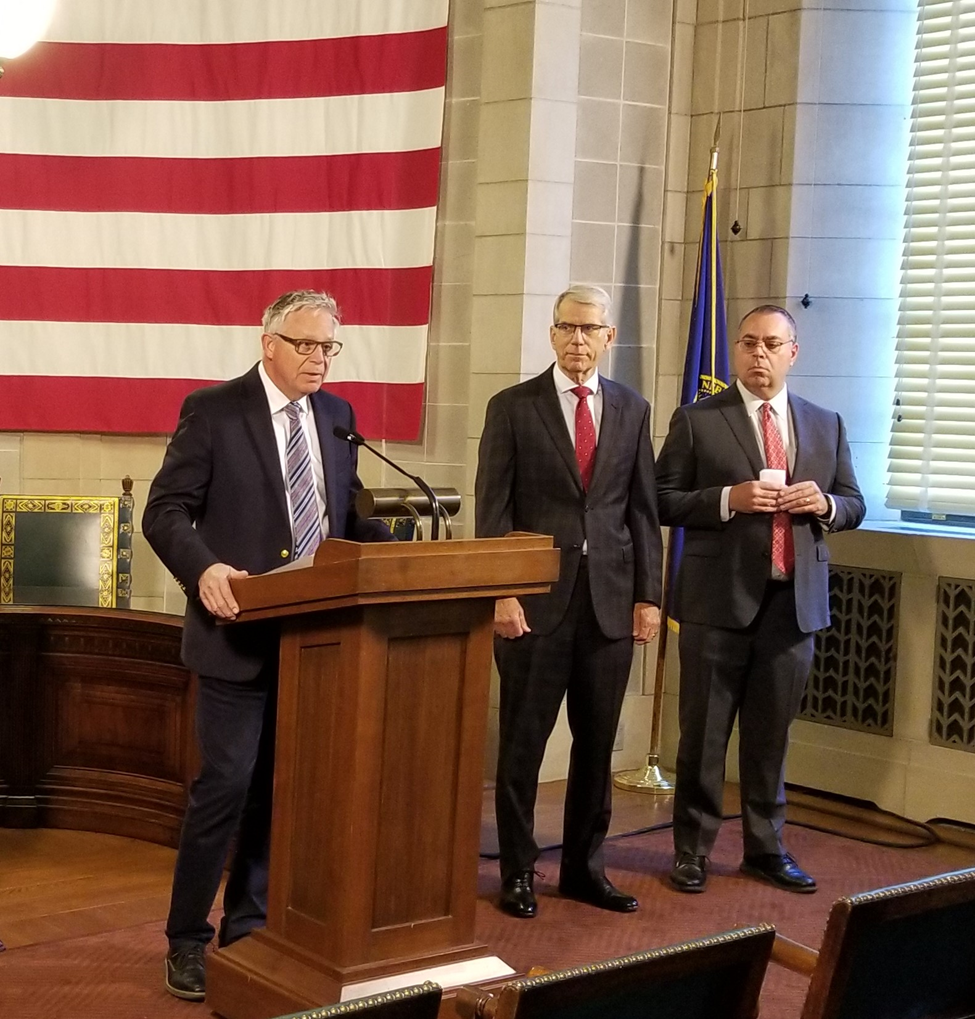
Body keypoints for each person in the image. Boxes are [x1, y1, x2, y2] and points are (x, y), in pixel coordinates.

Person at [143, 290, 393, 1001]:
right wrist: (205, 568)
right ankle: (187, 936)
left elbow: (340, 515)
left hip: (317, 644)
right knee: (224, 787)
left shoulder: (338, 417)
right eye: (307, 344)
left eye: (329, 347)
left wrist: (402, 547)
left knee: (279, 791)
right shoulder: (215, 410)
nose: (319, 359)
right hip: (235, 636)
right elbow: (165, 510)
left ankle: (246, 925)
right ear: (269, 342)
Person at [656, 304, 865, 895]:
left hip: (793, 604)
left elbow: (853, 502)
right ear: (736, 351)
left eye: (772, 344)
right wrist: (729, 498)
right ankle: (692, 850)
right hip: (717, 602)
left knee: (771, 737)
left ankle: (765, 849)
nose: (759, 354)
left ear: (792, 352)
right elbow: (661, 497)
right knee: (703, 735)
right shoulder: (699, 420)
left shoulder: (826, 423)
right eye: (748, 343)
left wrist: (823, 504)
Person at [474, 284, 663, 919]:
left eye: (590, 329)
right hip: (533, 605)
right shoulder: (512, 408)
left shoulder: (633, 409)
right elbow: (492, 512)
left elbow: (642, 511)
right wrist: (500, 590)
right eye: (566, 328)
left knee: (596, 745)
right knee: (523, 746)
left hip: (609, 604)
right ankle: (519, 871)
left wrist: (648, 597)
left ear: (609, 338)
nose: (577, 340)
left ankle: (585, 869)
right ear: (551, 335)